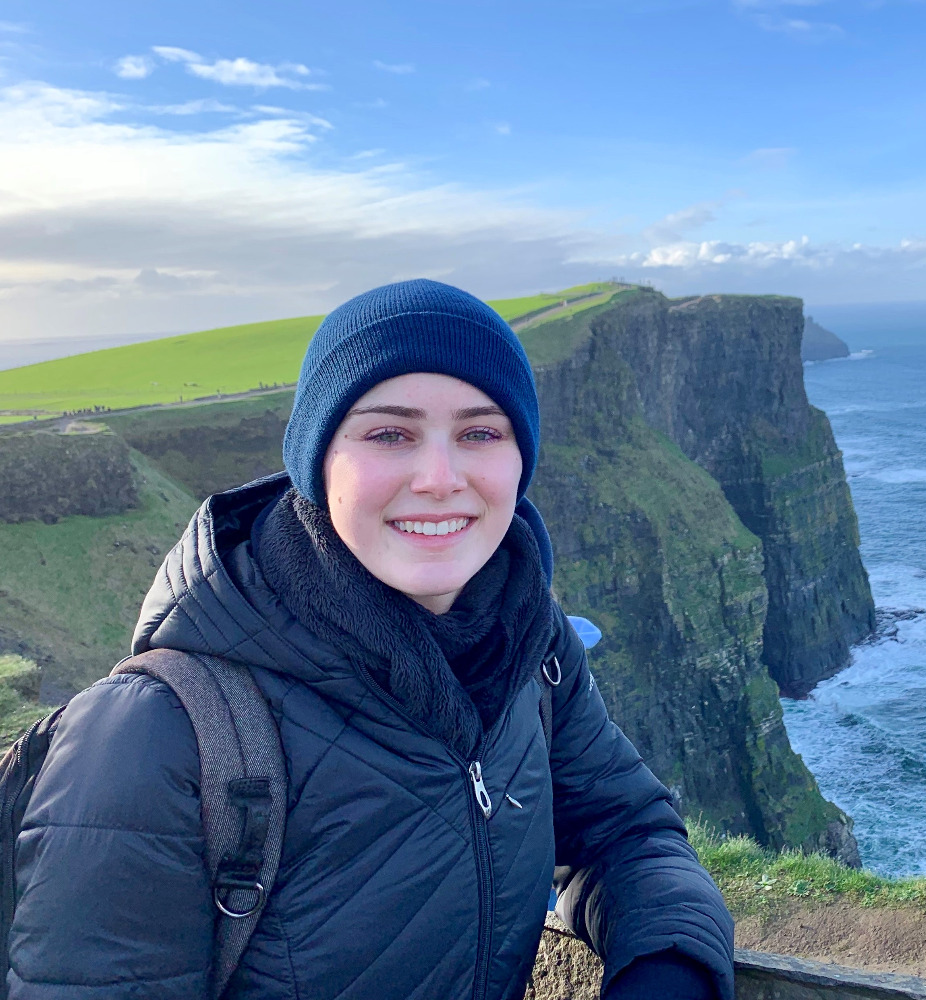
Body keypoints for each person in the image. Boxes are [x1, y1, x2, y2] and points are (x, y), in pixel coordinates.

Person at [8, 280, 734, 999]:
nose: (440, 479)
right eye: (390, 433)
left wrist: (668, 972)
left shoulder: (530, 651)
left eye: (481, 432)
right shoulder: (152, 736)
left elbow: (629, 831)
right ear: (317, 460)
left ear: (522, 460)